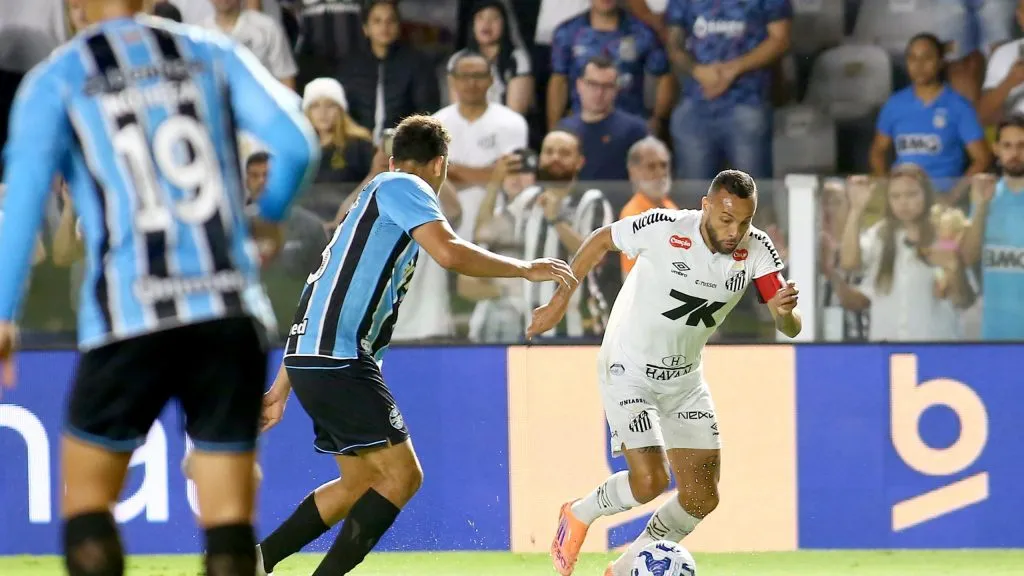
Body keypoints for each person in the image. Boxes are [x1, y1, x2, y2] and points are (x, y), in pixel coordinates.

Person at [0, 3, 320, 576]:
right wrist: (268, 214)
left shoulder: (58, 77)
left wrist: (3, 314)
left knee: (88, 510)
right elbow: (295, 143)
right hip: (228, 313)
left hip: (128, 316)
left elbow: (22, 202)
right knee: (228, 526)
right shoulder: (209, 52)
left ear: (75, 10)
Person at [255, 114, 576, 576]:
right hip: (341, 356)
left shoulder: (363, 203)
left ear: (391, 157)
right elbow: (449, 253)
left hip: (311, 354)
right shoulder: (405, 185)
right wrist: (525, 268)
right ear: (440, 165)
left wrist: (283, 385)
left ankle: (260, 559)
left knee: (361, 479)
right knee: (404, 476)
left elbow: (318, 294)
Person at [528, 170, 801, 576]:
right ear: (707, 206)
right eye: (726, 219)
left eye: (744, 221)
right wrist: (559, 302)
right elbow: (603, 238)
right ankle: (578, 513)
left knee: (701, 497)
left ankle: (623, 568)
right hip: (628, 368)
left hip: (685, 381)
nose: (735, 231)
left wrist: (784, 313)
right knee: (651, 480)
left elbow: (790, 327)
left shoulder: (758, 249)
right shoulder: (664, 227)